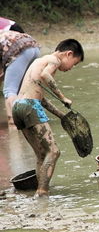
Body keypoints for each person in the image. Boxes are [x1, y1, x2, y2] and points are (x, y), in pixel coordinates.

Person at [12, 39, 84, 197]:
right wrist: (62, 97)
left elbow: (41, 99)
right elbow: (46, 76)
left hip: (18, 107)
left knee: (41, 155)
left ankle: (41, 190)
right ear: (68, 54)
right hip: (30, 107)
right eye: (74, 63)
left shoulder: (38, 62)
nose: (71, 68)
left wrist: (62, 115)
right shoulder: (53, 60)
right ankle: (42, 192)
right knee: (54, 151)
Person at [0, 30, 41, 126]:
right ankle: (31, 118)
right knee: (23, 88)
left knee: (9, 90)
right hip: (34, 47)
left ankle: (13, 121)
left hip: (18, 50)